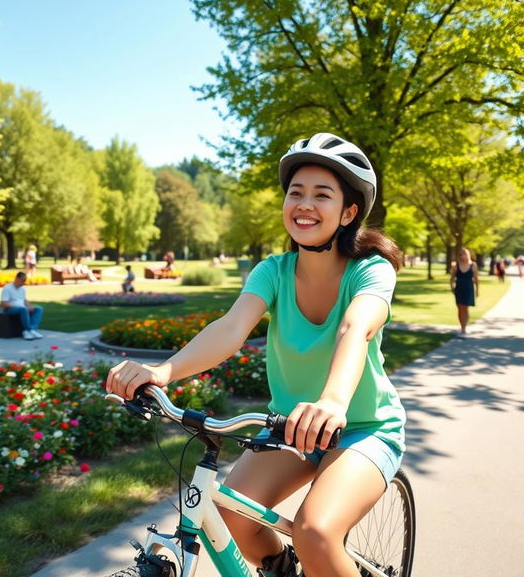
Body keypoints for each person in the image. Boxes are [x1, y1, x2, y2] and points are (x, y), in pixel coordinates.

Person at [107, 132, 406, 577]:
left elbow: (355, 329)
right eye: (295, 192)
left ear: (348, 212)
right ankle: (283, 570)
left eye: (321, 195)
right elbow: (230, 328)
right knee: (229, 515)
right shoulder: (273, 271)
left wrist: (332, 403)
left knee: (315, 532)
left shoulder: (371, 271)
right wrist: (162, 371)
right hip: (288, 429)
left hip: (363, 429)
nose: (304, 203)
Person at [0, 272, 44, 340]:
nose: (22, 283)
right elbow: (3, 303)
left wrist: (29, 306)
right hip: (10, 309)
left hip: (22, 307)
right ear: (16, 279)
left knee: (38, 309)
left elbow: (24, 300)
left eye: (24, 281)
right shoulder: (7, 288)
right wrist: (17, 307)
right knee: (23, 309)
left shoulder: (22, 289)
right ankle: (28, 330)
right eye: (21, 281)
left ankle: (32, 329)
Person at [450, 247, 479, 338]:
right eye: (460, 254)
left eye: (464, 254)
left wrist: (477, 290)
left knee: (465, 308)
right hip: (459, 288)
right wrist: (452, 287)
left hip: (468, 288)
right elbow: (452, 278)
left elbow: (476, 279)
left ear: (468, 255)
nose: (462, 256)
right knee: (460, 308)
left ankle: (464, 328)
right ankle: (462, 326)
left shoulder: (473, 265)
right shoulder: (456, 265)